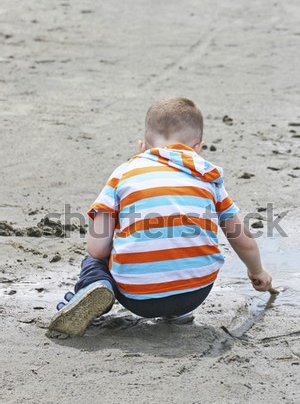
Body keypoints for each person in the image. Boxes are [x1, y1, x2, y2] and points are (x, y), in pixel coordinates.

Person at [49, 98, 272, 336]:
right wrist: (258, 272)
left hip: (138, 298)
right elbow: (242, 239)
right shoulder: (209, 177)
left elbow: (96, 249)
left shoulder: (124, 173)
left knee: (94, 262)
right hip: (195, 292)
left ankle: (95, 284)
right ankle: (178, 312)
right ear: (198, 147)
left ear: (142, 146)